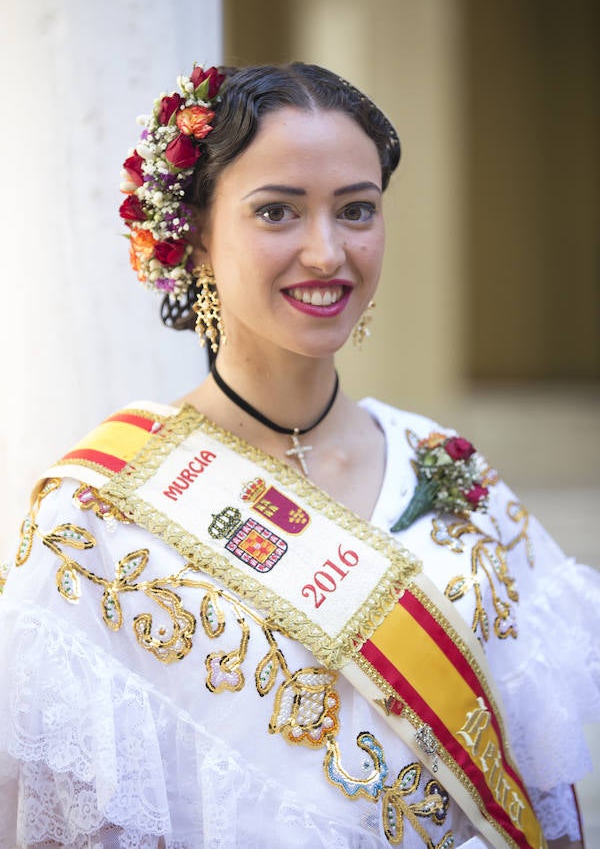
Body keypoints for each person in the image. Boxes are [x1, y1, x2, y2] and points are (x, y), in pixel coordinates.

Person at [0, 62, 597, 849]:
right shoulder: (97, 518)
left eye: (356, 210)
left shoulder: (445, 467)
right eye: (277, 212)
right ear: (197, 236)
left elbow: (539, 791)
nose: (326, 252)